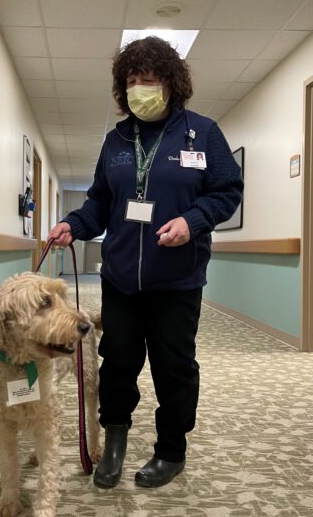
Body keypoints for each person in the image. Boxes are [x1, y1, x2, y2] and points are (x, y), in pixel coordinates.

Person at [48, 36, 243, 490]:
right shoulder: (116, 141)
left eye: (148, 80)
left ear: (170, 84)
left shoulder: (204, 132)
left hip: (177, 278)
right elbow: (100, 201)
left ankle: (171, 449)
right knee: (117, 362)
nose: (138, 89)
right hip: (119, 278)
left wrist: (192, 221)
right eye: (131, 81)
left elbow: (227, 192)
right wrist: (74, 224)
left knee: (174, 366)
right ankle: (114, 441)